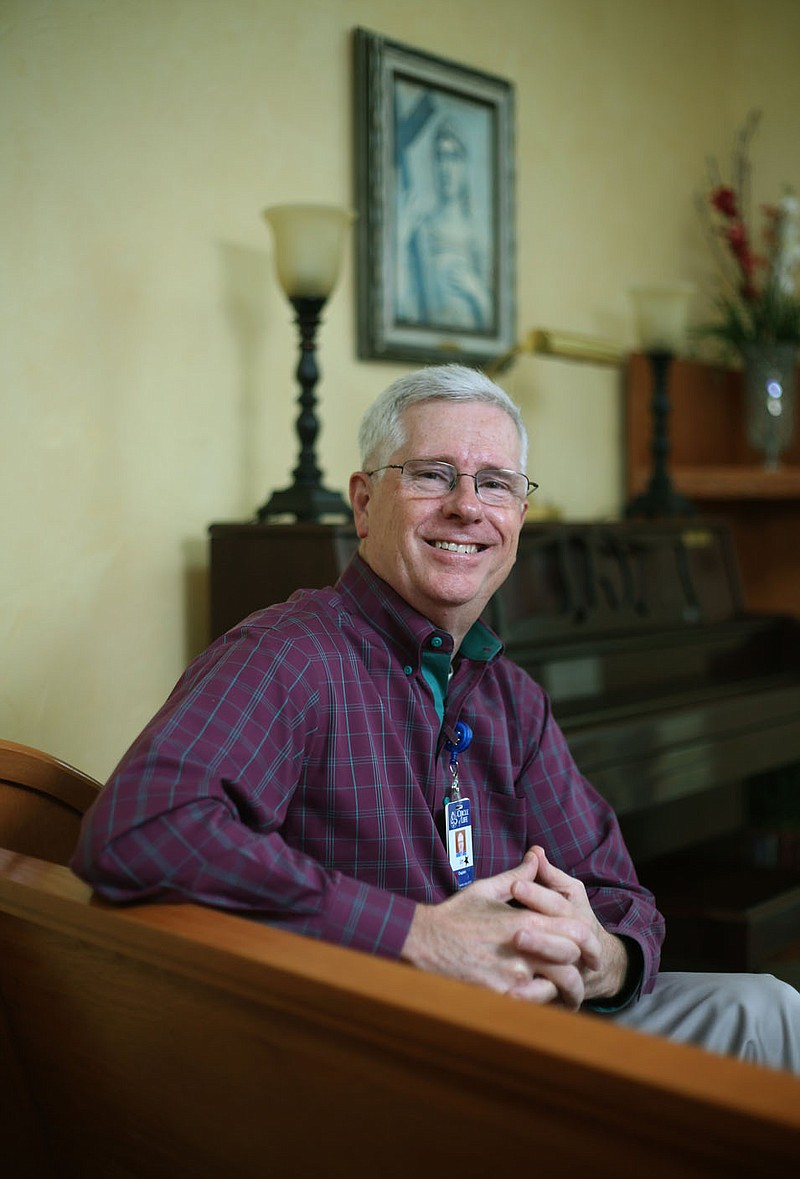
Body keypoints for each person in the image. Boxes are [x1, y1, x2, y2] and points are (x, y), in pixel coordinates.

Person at [72, 363, 800, 1073]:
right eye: (430, 475)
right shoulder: (286, 654)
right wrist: (417, 935)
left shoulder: (511, 695)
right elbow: (139, 827)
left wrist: (604, 958)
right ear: (363, 503)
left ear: (516, 516)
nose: (466, 506)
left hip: (526, 1017)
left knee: (767, 1013)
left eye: (495, 484)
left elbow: (619, 894)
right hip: (371, 1039)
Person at [400, 120, 493, 331]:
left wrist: (475, 290)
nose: (446, 168)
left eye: (454, 157)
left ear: (465, 164)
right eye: (440, 157)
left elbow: (493, 316)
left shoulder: (475, 232)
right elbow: (406, 303)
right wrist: (400, 238)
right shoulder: (422, 227)